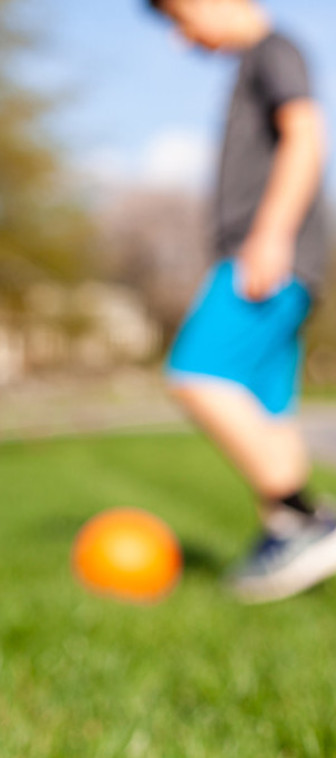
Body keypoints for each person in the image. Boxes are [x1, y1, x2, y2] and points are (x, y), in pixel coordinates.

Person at [148, 0, 331, 602]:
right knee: (266, 404)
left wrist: (271, 234)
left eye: (179, 18)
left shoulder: (272, 51)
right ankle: (285, 535)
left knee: (195, 374)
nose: (181, 38)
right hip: (279, 256)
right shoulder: (259, 58)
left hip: (264, 254)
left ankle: (308, 519)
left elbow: (305, 136)